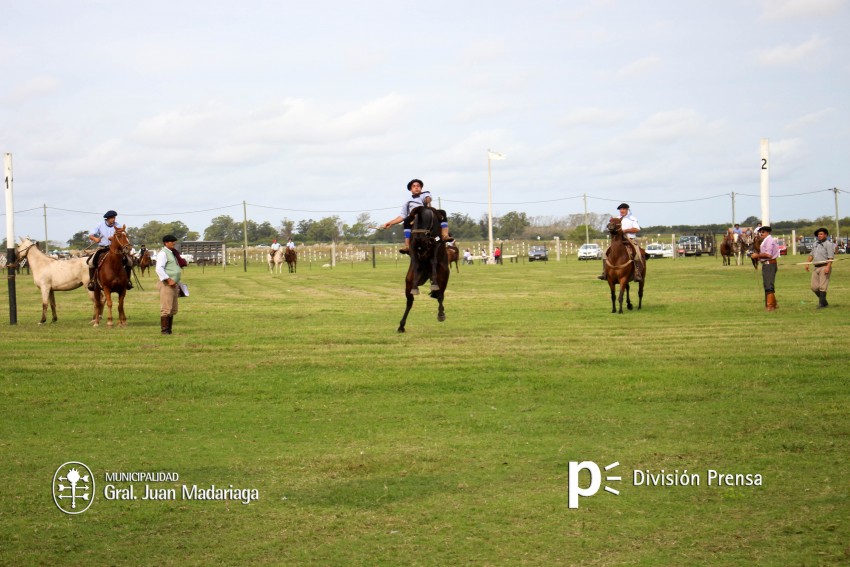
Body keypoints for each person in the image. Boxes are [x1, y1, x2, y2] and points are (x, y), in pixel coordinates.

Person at [380, 179, 448, 254]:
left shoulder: (425, 194)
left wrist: (428, 200)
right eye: (414, 186)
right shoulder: (408, 201)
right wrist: (390, 223)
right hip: (415, 217)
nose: (416, 187)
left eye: (418, 186)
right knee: (406, 221)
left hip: (426, 216)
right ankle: (407, 245)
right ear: (410, 189)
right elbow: (402, 216)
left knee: (442, 212)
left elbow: (427, 199)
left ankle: (444, 235)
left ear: (421, 188)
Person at [87, 210, 133, 290]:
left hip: (115, 250)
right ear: (107, 219)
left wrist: (114, 238)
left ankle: (127, 281)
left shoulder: (118, 225)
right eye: (111, 218)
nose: (113, 219)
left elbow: (122, 236)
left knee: (129, 262)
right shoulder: (100, 225)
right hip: (102, 248)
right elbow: (90, 235)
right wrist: (95, 239)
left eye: (114, 218)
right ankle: (92, 282)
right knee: (91, 262)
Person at [598, 203, 643, 281]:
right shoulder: (616, 219)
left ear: (627, 210)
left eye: (624, 209)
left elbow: (637, 229)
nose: (622, 210)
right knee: (604, 253)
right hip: (617, 241)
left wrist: (626, 230)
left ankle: (637, 273)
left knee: (637, 253)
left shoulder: (632, 219)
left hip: (630, 240)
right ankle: (604, 272)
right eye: (621, 209)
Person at [155, 234, 186, 335]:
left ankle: (169, 330)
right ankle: (165, 331)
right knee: (166, 308)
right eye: (172, 241)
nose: (174, 243)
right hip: (166, 284)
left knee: (173, 309)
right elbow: (159, 268)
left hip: (174, 283)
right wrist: (168, 280)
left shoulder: (172, 253)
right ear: (166, 243)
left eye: (174, 241)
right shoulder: (163, 253)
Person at [751, 226, 780, 311]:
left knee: (769, 285)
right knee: (767, 284)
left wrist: (757, 255)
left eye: (763, 232)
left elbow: (768, 255)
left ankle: (770, 306)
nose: (761, 233)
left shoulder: (769, 241)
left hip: (769, 264)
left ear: (768, 232)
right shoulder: (765, 240)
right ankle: (774, 304)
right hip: (766, 264)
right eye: (760, 232)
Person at [805, 227, 834, 309]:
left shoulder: (828, 244)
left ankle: (821, 304)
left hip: (824, 266)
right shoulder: (815, 243)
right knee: (814, 287)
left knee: (822, 287)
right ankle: (824, 302)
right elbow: (811, 255)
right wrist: (807, 263)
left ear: (826, 235)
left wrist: (828, 267)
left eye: (821, 234)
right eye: (818, 234)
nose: (819, 235)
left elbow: (830, 257)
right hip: (816, 267)